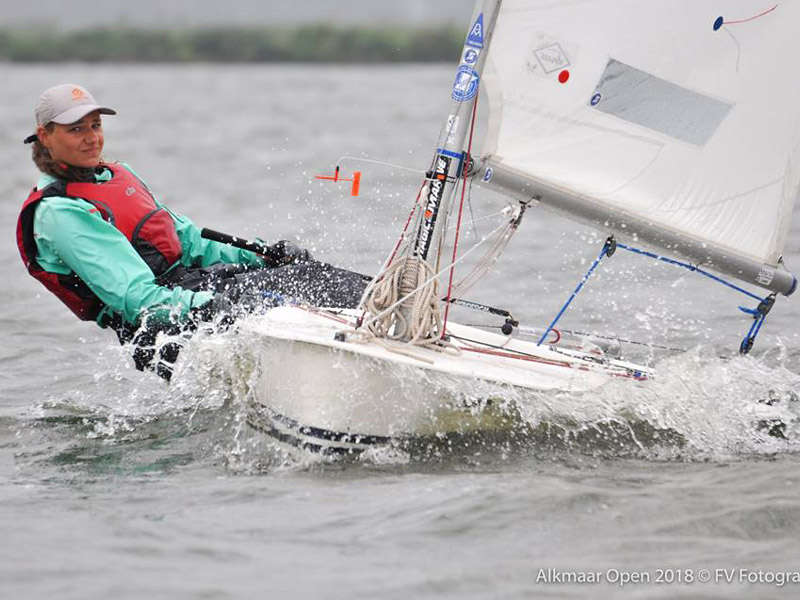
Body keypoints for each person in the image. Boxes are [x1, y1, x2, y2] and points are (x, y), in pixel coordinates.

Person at [17, 83, 366, 379]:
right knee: (281, 293)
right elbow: (136, 298)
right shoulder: (59, 213)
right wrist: (217, 304)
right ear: (45, 135)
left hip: (193, 287)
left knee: (307, 275)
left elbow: (185, 240)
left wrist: (262, 254)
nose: (92, 138)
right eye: (76, 129)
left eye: (95, 126)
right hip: (161, 326)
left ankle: (393, 319)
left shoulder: (116, 175)